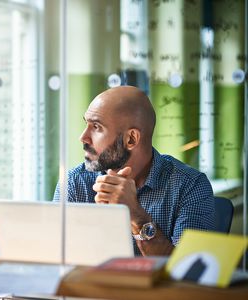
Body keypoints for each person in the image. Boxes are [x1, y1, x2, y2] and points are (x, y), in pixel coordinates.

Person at [53, 86, 215, 256]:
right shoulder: (74, 182)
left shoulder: (191, 186)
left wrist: (135, 214)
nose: (83, 137)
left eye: (96, 127)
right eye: (86, 124)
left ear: (131, 139)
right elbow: (53, 257)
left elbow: (187, 272)